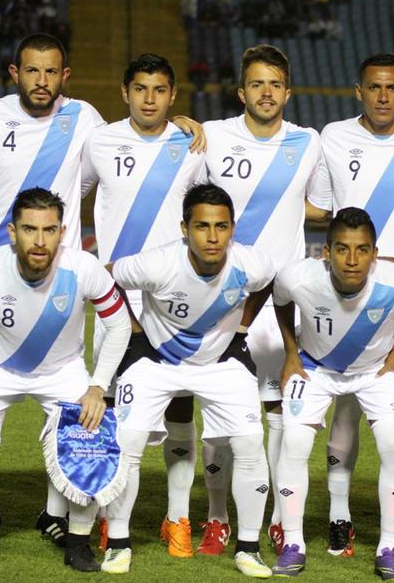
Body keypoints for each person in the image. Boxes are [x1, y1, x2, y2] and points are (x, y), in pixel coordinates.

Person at [0, 34, 204, 546]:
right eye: (31, 71)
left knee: (67, 398)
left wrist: (182, 124)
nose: (40, 81)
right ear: (13, 72)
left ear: (65, 76)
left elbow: (123, 156)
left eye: (51, 72)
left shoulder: (88, 121)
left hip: (56, 277)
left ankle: (56, 511)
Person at [0, 187, 131, 570]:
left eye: (49, 230)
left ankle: (78, 543)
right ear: (13, 232)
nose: (39, 240)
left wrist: (98, 387)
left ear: (62, 233)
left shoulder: (84, 268)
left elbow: (118, 325)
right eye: (29, 229)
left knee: (90, 436)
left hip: (62, 369)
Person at [305, 53, 394, 558]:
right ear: (357, 91)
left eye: (391, 88)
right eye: (373, 88)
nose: (383, 96)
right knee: (344, 405)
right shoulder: (333, 137)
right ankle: (339, 515)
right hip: (348, 292)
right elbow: (318, 205)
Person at [101, 183, 277, 577]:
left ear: (233, 229)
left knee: (250, 444)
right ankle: (117, 542)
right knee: (127, 442)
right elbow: (104, 280)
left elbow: (269, 281)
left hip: (220, 362)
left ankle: (248, 547)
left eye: (221, 226)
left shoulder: (252, 263)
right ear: (185, 228)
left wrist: (243, 326)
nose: (212, 237)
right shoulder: (156, 264)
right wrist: (130, 331)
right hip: (156, 360)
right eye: (202, 226)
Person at [271, 208, 394, 579]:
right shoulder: (298, 277)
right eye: (343, 249)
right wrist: (289, 352)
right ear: (326, 251)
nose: (352, 260)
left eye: (362, 250)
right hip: (315, 369)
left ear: (375, 253)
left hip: (375, 370)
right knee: (295, 444)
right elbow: (280, 300)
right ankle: (293, 544)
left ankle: (388, 548)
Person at [80, 53, 205, 557]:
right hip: (114, 303)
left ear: (173, 96)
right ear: (125, 92)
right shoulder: (99, 141)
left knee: (179, 404)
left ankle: (177, 518)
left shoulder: (194, 146)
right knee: (107, 411)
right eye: (140, 89)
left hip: (175, 302)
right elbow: (73, 194)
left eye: (159, 90)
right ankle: (114, 518)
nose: (149, 98)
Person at [201, 44, 323, 555]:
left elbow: (320, 205)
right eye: (257, 83)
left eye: (275, 83)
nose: (266, 92)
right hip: (220, 297)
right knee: (217, 411)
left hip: (279, 306)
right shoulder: (210, 137)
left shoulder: (309, 142)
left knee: (278, 410)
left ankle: (276, 515)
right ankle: (215, 516)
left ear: (288, 92)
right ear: (241, 91)